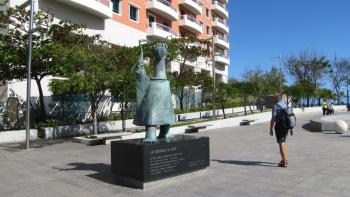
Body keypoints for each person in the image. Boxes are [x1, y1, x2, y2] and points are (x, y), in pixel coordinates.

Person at [270, 94, 293, 168]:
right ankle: (284, 159)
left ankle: (284, 161)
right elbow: (289, 116)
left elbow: (273, 118)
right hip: (286, 126)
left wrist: (271, 128)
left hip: (279, 126)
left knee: (281, 143)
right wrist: (291, 128)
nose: (272, 100)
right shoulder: (285, 105)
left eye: (273, 98)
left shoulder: (275, 106)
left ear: (276, 99)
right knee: (283, 142)